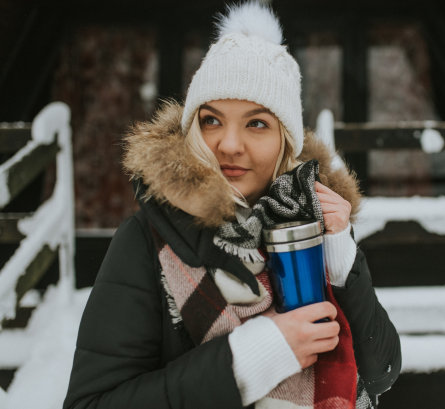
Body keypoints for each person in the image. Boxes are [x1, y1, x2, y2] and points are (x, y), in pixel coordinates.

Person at [63, 2, 401, 408]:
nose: (228, 144)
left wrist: (340, 252)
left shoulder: (308, 225)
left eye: (256, 123)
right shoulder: (146, 240)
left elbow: (381, 371)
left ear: (286, 142)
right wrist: (253, 358)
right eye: (211, 120)